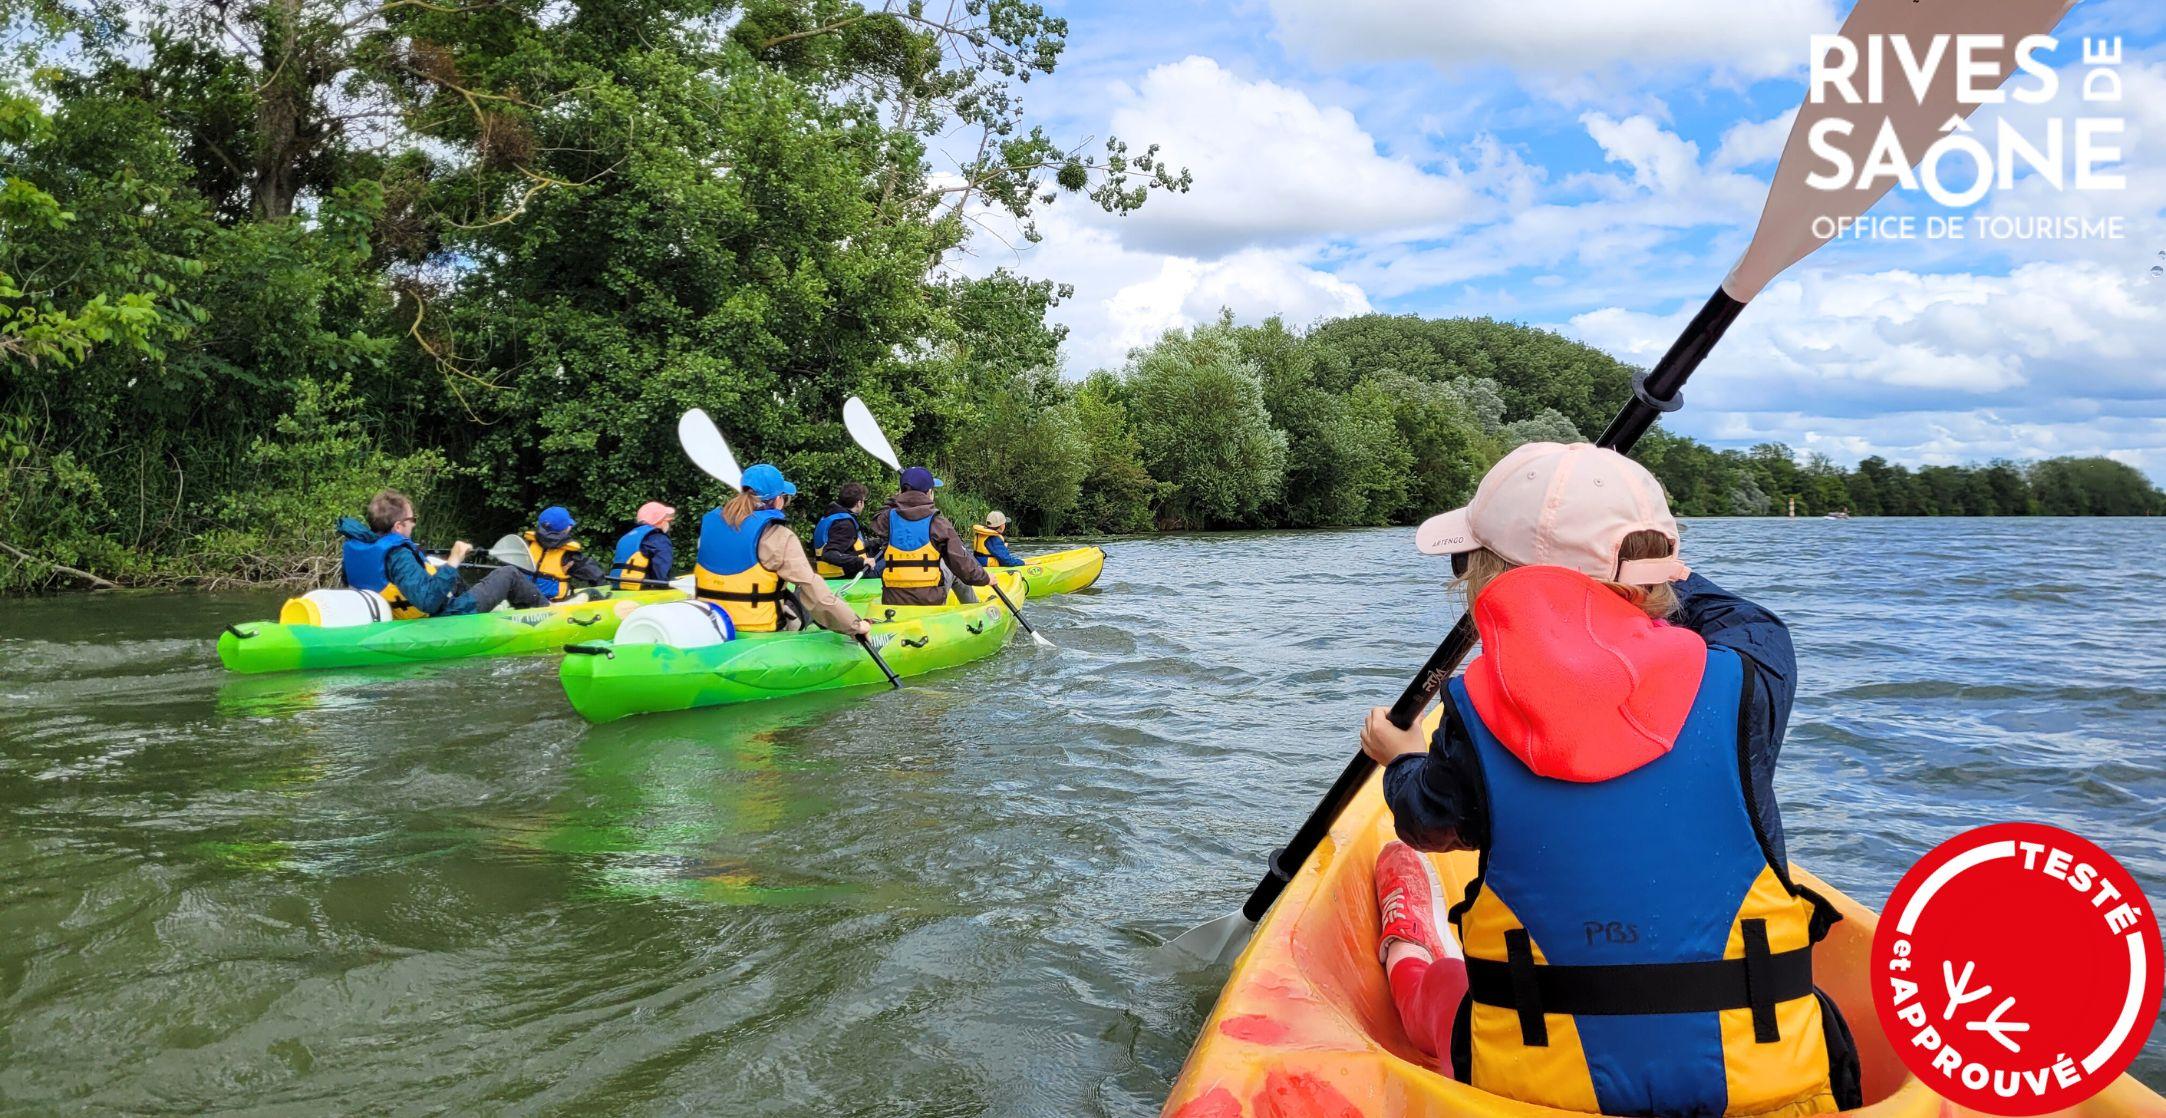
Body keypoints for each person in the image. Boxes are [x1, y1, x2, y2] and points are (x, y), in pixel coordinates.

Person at [1357, 442, 1860, 1117]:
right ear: (1658, 576)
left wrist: (1403, 758)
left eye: (1464, 562)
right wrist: (1641, 566)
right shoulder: (1752, 676)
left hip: (1540, 1096)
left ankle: (1404, 957)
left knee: (1447, 986)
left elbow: (1427, 822)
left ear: (1489, 575)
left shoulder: (1471, 716)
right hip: (1768, 1089)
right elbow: (1740, 617)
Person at [692, 463, 870, 638]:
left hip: (713, 626)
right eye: (784, 497)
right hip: (758, 632)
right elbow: (816, 595)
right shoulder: (777, 536)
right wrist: (855, 625)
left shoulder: (709, 526)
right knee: (804, 593)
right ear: (778, 500)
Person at [337, 489, 547, 618]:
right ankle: (550, 612)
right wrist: (454, 560)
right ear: (399, 526)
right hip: (442, 615)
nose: (414, 524)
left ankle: (494, 609)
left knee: (445, 573)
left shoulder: (361, 547)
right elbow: (428, 601)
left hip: (395, 615)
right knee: (508, 574)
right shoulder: (398, 555)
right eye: (412, 520)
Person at [864, 466, 991, 607]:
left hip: (893, 599)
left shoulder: (886, 519)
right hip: (929, 601)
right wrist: (985, 578)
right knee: (953, 569)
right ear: (930, 493)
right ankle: (974, 608)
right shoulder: (938, 523)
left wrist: (899, 497)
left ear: (901, 492)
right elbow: (962, 563)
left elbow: (877, 516)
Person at [524, 505, 610, 602]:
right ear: (566, 529)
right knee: (592, 593)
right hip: (552, 606)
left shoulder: (527, 545)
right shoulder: (569, 555)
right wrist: (604, 589)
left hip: (522, 602)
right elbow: (594, 575)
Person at [611, 502, 677, 589]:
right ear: (659, 521)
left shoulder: (627, 536)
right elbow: (661, 576)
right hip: (640, 589)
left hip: (617, 587)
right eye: (667, 521)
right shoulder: (658, 539)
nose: (669, 524)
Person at [813, 482, 872, 578]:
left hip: (836, 573)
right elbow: (829, 554)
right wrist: (862, 561)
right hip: (847, 575)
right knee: (892, 565)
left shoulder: (832, 516)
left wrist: (878, 542)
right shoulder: (844, 524)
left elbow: (848, 543)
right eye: (863, 501)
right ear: (859, 503)